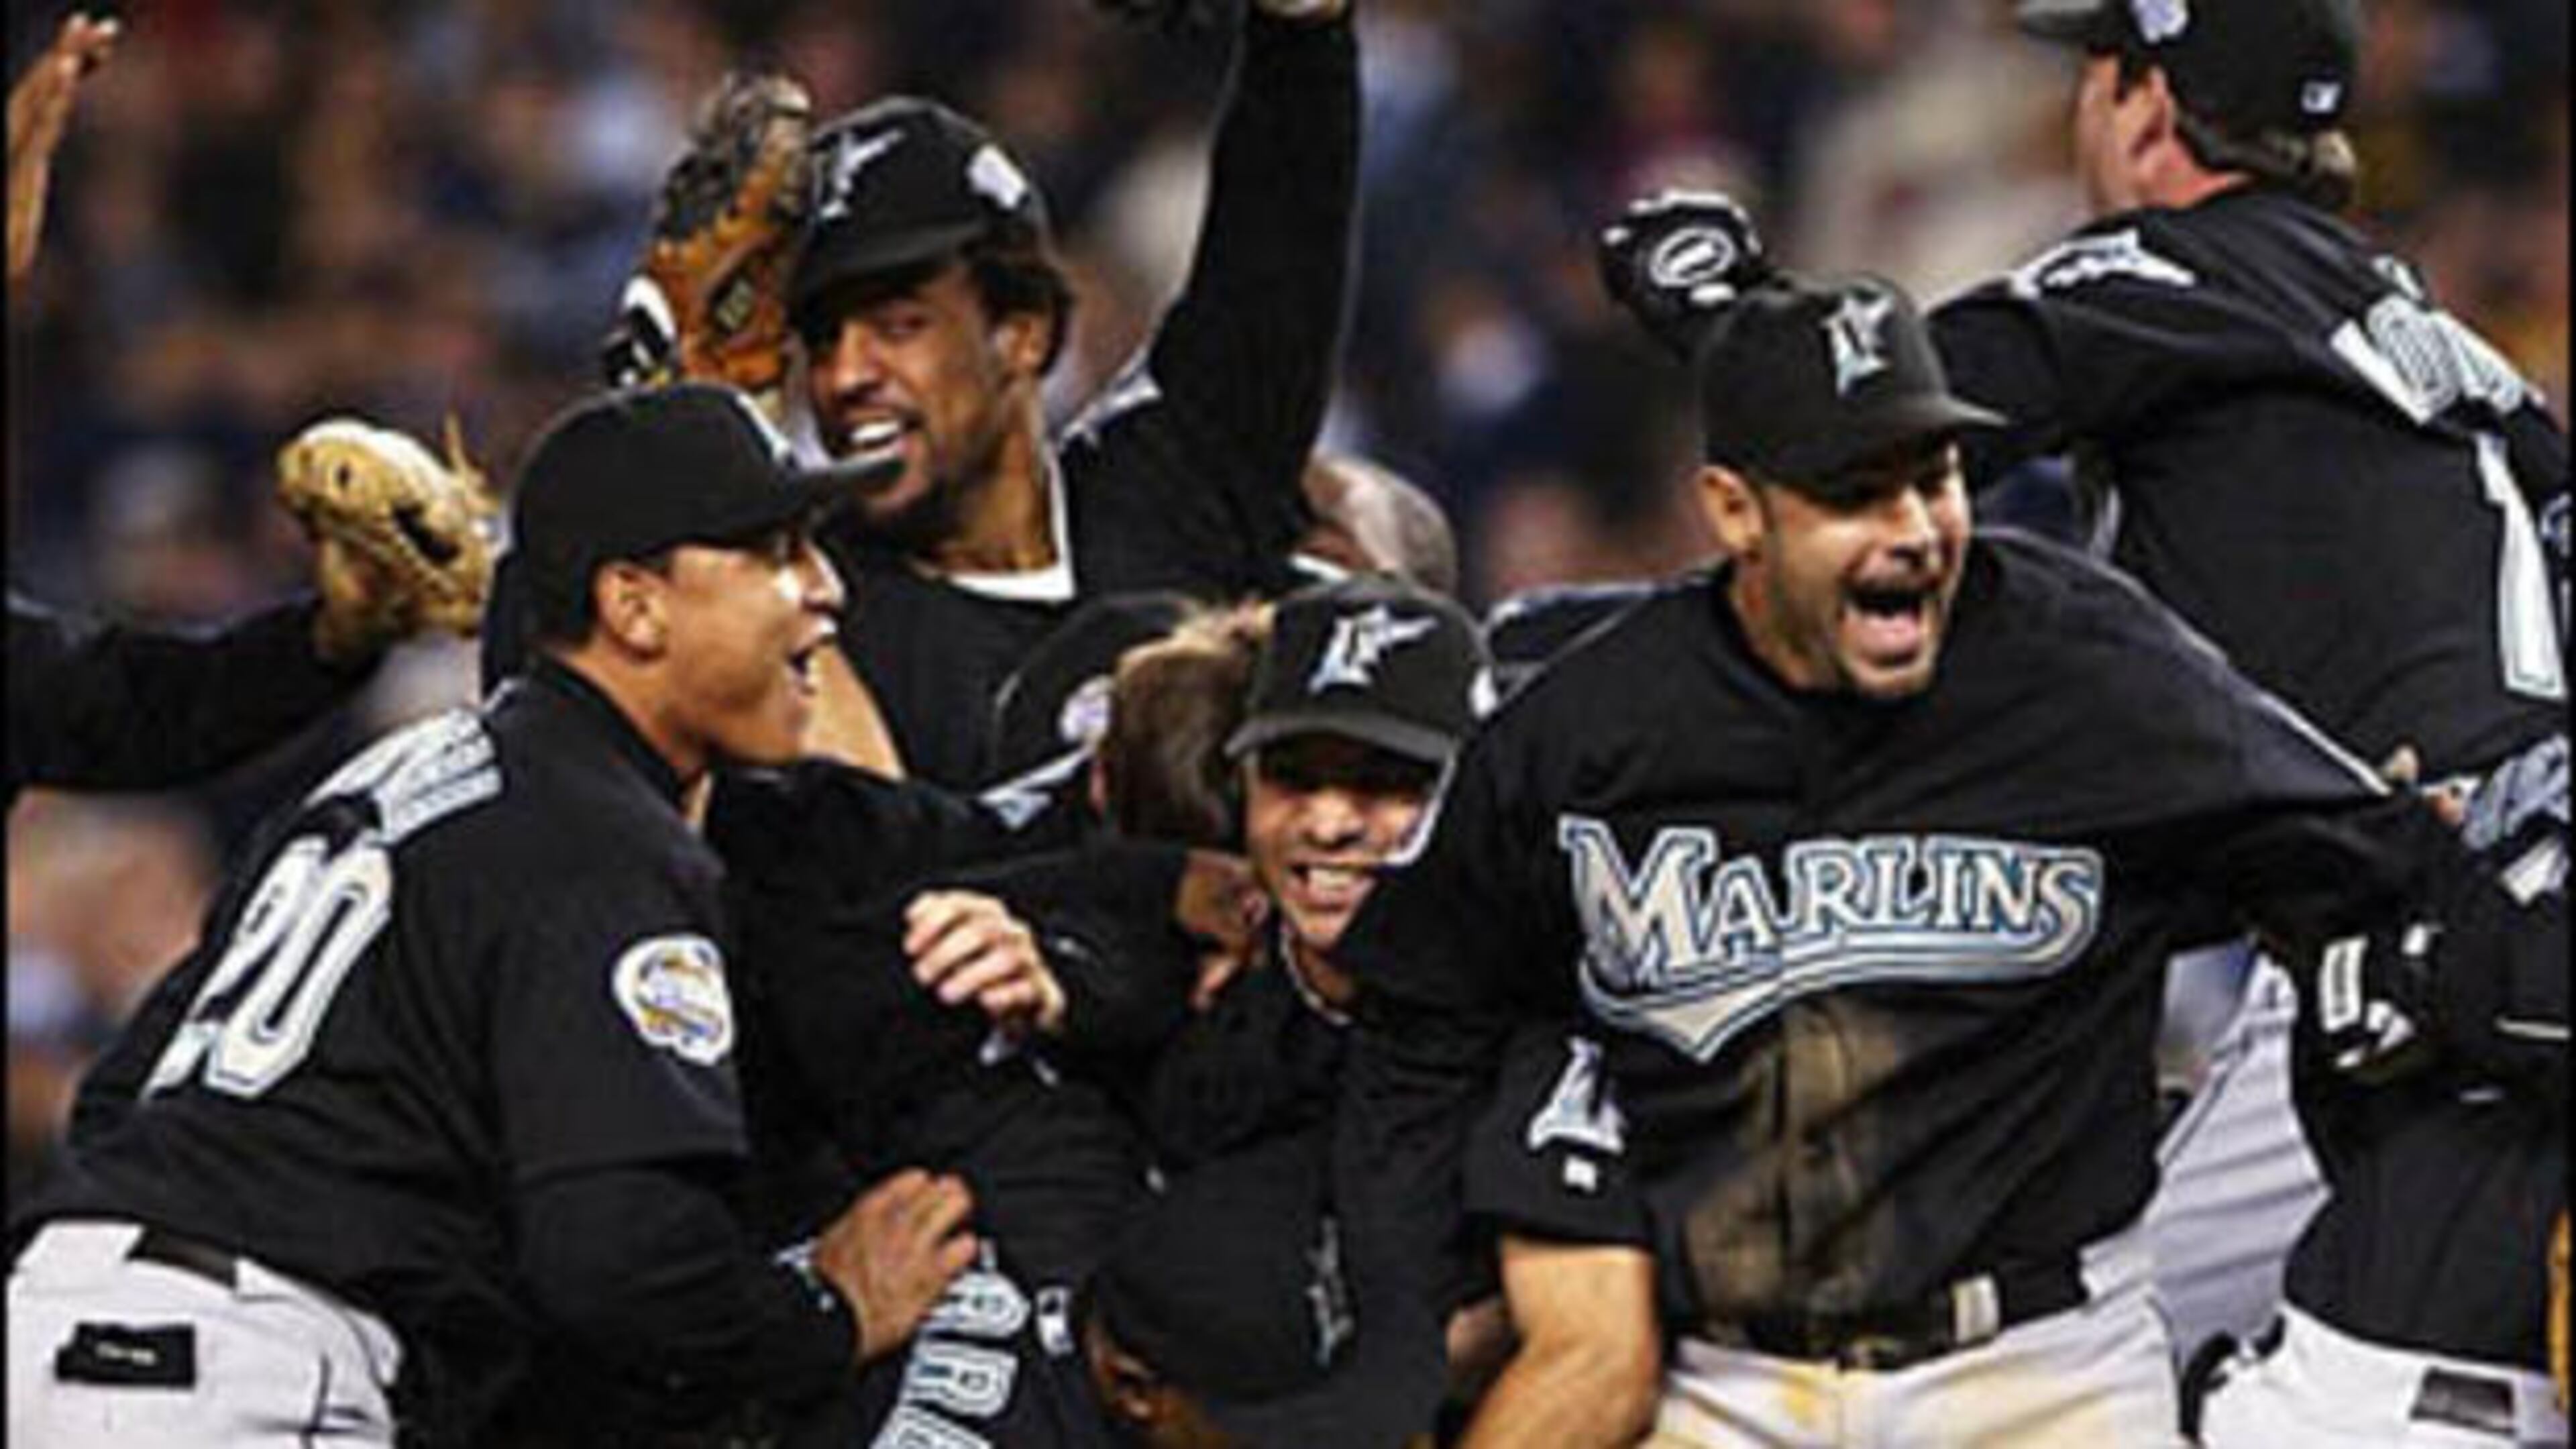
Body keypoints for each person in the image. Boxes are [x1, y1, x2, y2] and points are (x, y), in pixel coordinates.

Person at [1332, 272, 2564, 1448]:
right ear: (1733, 510)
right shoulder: (1592, 727)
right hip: (1729, 1382)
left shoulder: (2089, 667)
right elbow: (1420, 1016)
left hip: (2041, 1372)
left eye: (1937, 476)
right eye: (1859, 492)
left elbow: (2382, 868)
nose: (1918, 528)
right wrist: (1405, 1315)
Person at [1596, 0, 2571, 1432]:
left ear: (2148, 107)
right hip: (2473, 902)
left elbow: (1884, 415)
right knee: (2148, 1318)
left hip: (2439, 913)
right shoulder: (2428, 334)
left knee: (2088, 1349)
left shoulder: (2177, 258)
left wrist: (1713, 304)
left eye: (2096, 68)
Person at [7, 384, 984, 1446]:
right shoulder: (604, 836)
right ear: (635, 605)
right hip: (242, 1374)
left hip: (65, 1325)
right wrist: (825, 1315)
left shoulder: (391, 777)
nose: (825, 590)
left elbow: (120, 1105)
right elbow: (618, 1258)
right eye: (775, 553)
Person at [773, 0, 1360, 788]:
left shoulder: (1165, 481)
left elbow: (1275, 265)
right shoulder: (821, 612)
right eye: (822, 339)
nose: (845, 376)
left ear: (1025, 334)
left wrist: (1300, 33)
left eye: (898, 325)